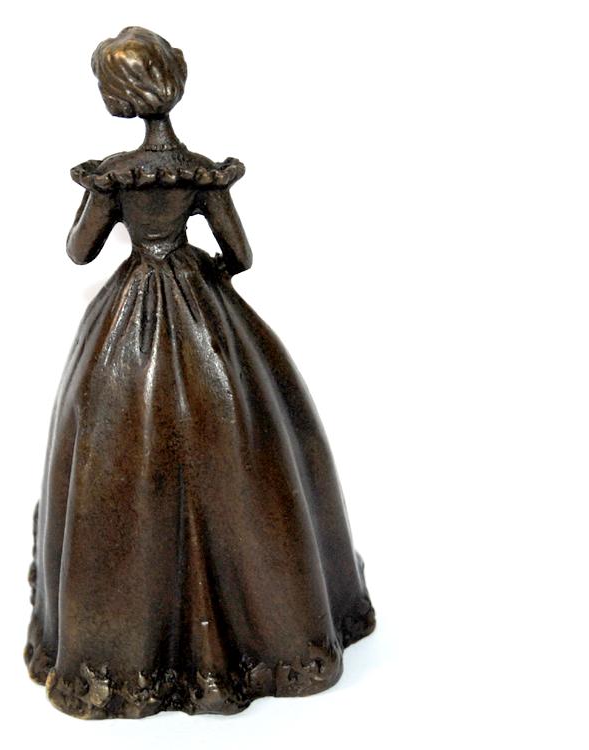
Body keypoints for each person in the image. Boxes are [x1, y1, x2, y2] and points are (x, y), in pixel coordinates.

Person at [25, 26, 375, 719]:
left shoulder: (115, 177)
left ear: (123, 96)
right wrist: (201, 273)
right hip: (203, 308)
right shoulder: (203, 173)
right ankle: (276, 628)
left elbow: (79, 251)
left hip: (129, 315)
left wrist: (108, 214)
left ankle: (124, 647)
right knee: (241, 445)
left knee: (121, 455)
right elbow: (240, 256)